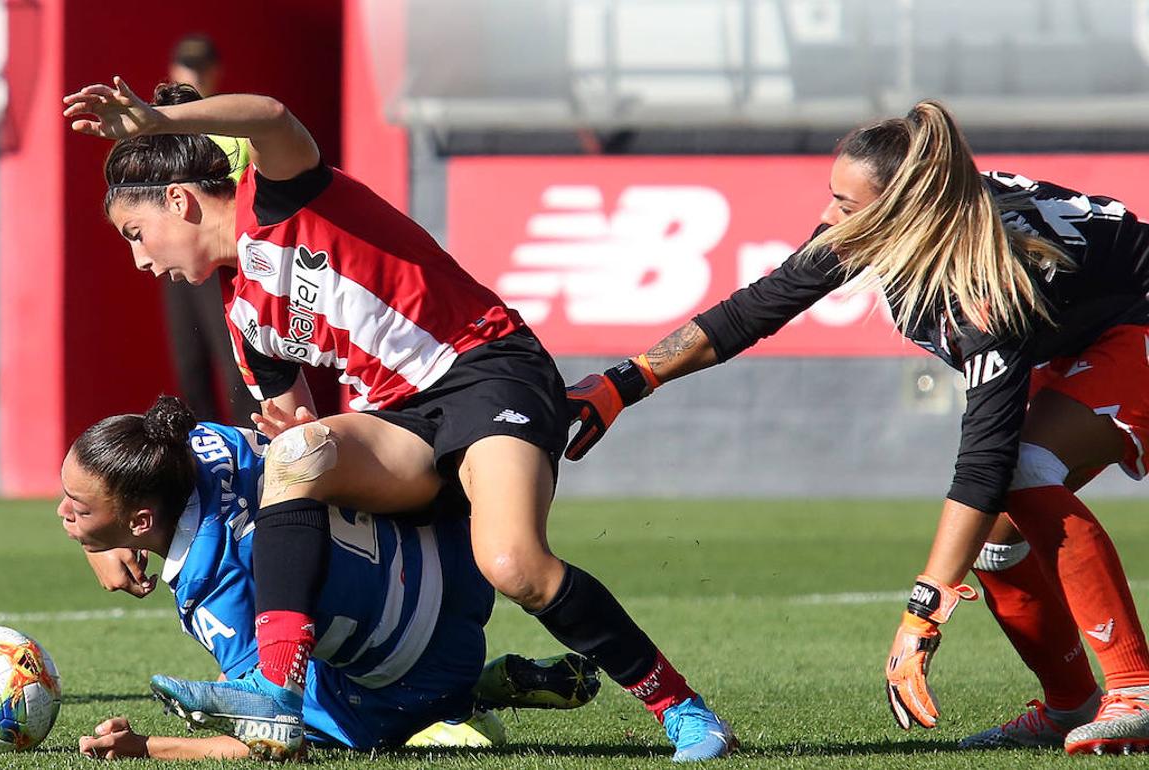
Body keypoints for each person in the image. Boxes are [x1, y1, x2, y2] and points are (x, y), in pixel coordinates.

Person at [60, 78, 733, 762]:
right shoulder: (243, 318)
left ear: (179, 200)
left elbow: (272, 113)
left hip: (486, 369)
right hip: (401, 424)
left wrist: (154, 121)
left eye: (136, 234)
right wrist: (110, 532)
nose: (142, 260)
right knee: (295, 456)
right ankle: (279, 694)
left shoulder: (283, 197)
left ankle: (684, 712)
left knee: (515, 565)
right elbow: (300, 436)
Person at [566, 100, 1149, 755]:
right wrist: (626, 381)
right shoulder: (911, 221)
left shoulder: (985, 283)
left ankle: (1137, 690)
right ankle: (1072, 705)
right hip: (1091, 333)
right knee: (991, 539)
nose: (827, 217)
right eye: (832, 198)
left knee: (1019, 472)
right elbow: (754, 310)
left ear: (902, 214)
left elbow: (984, 461)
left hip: (1138, 325)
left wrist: (923, 611)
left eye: (846, 205)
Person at [60, 395, 601, 760]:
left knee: (255, 696)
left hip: (424, 671)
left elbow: (279, 738)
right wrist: (102, 538)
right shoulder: (199, 442)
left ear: (142, 521)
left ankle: (462, 700)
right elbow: (126, 482)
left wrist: (149, 747)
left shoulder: (212, 594)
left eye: (77, 509)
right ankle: (475, 685)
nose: (62, 513)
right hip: (454, 552)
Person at [162, 33, 257, 427]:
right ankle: (203, 455)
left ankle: (252, 452)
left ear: (215, 73)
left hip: (223, 259)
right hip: (178, 258)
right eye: (187, 67)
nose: (193, 76)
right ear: (173, 70)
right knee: (190, 361)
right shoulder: (161, 131)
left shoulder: (232, 128)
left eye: (201, 69)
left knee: (235, 362)